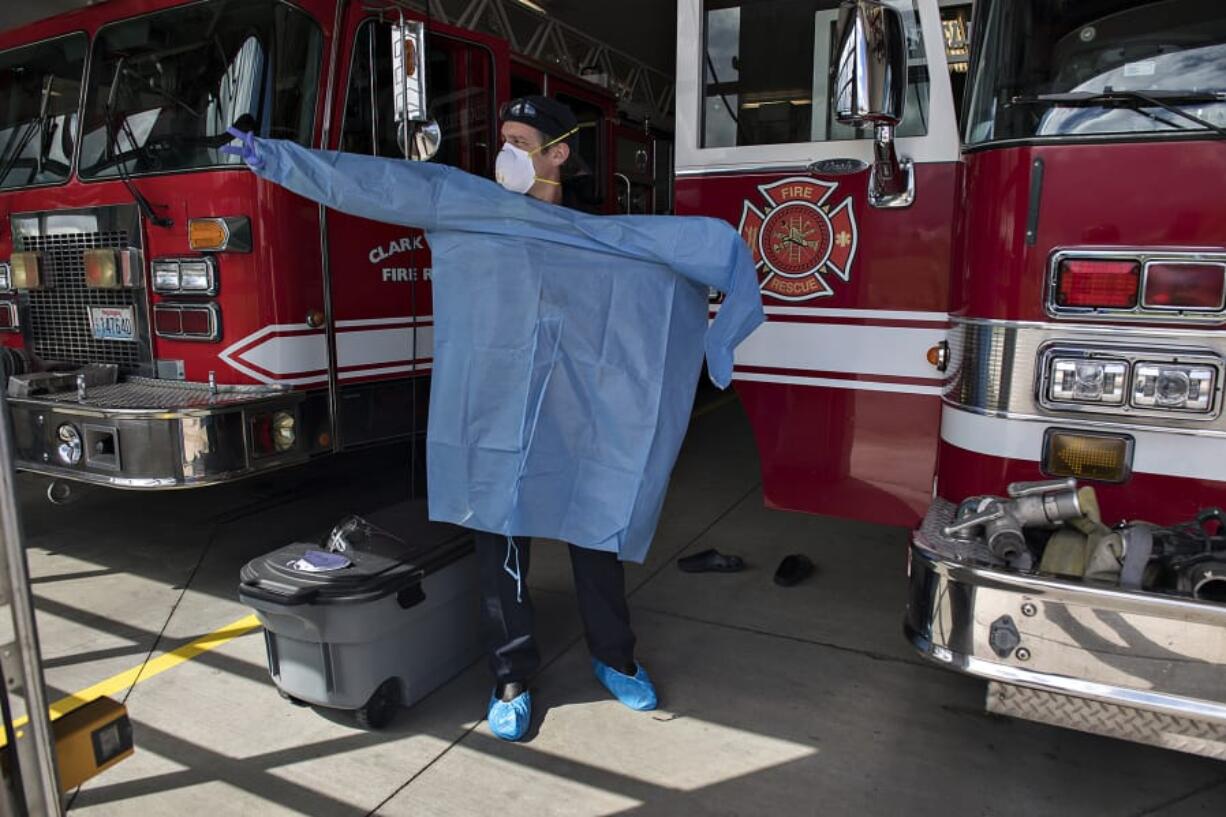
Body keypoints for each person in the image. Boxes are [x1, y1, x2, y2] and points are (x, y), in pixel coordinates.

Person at [479, 96, 656, 742]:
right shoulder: (487, 227)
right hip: (508, 408)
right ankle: (511, 676)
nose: (506, 153)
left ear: (558, 152)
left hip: (577, 411)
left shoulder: (592, 235)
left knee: (595, 533)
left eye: (520, 141)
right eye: (502, 139)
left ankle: (615, 656)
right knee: (501, 541)